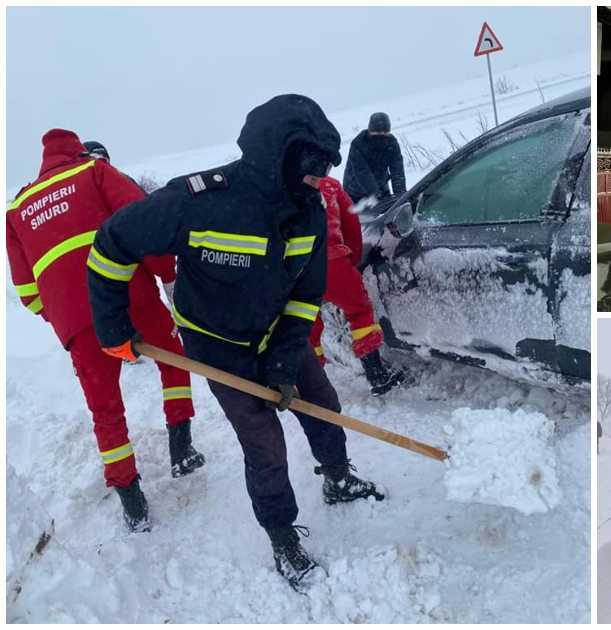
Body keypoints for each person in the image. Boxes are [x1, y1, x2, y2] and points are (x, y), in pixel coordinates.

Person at [87, 94, 384, 591]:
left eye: (326, 165)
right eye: (312, 163)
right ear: (278, 154)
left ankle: (337, 476)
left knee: (320, 400)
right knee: (262, 438)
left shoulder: (306, 210)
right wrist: (113, 327)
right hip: (215, 340)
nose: (321, 176)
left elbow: (307, 294)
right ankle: (282, 535)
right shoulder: (197, 200)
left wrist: (287, 360)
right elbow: (112, 243)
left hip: (275, 329)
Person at [6, 129, 204, 533]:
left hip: (79, 326)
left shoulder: (17, 209)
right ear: (77, 150)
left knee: (104, 409)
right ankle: (181, 447)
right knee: (173, 358)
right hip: (130, 299)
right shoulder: (94, 172)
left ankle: (131, 499)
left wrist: (66, 314)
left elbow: (27, 292)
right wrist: (167, 273)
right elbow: (144, 226)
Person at [309, 174, 408, 395]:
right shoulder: (330, 186)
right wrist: (351, 262)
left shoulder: (280, 186)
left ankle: (306, 383)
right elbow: (351, 225)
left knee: (306, 326)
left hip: (296, 269)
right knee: (360, 311)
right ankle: (377, 375)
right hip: (332, 263)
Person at [342, 112, 406, 203]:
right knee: (362, 216)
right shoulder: (358, 144)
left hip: (382, 185)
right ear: (370, 130)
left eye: (385, 132)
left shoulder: (391, 142)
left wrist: (401, 192)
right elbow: (362, 172)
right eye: (378, 132)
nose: (382, 135)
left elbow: (397, 169)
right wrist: (376, 194)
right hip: (355, 190)